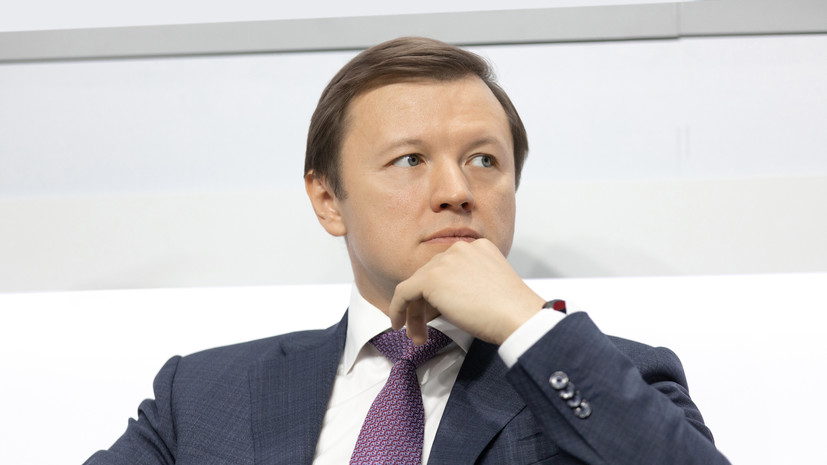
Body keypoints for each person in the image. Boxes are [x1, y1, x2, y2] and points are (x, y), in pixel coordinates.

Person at [85, 37, 731, 464]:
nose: (456, 191)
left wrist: (526, 324)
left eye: (484, 160)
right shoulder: (203, 396)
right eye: (410, 160)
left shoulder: (607, 378)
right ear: (328, 200)